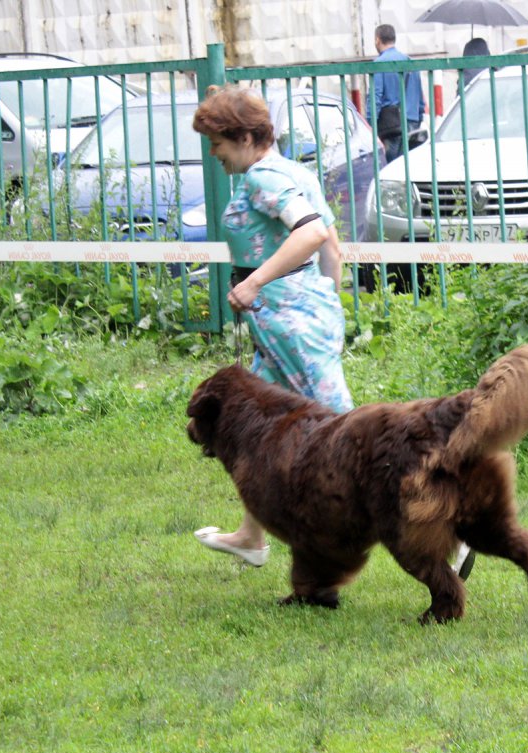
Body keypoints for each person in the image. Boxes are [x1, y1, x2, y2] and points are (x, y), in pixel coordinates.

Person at [190, 85, 353, 568]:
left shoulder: (263, 178)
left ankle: (443, 524)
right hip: (292, 320)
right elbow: (332, 252)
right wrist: (325, 305)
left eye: (216, 143)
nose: (213, 154)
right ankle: (251, 534)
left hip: (289, 325)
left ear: (242, 136)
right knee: (253, 426)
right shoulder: (293, 171)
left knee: (350, 435)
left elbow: (312, 232)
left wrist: (256, 283)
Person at [367, 23, 425, 163]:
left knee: (391, 169)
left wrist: (370, 124)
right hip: (412, 123)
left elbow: (375, 97)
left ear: (377, 39)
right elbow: (421, 100)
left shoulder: (379, 64)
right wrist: (418, 118)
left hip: (391, 126)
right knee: (406, 168)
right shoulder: (410, 63)